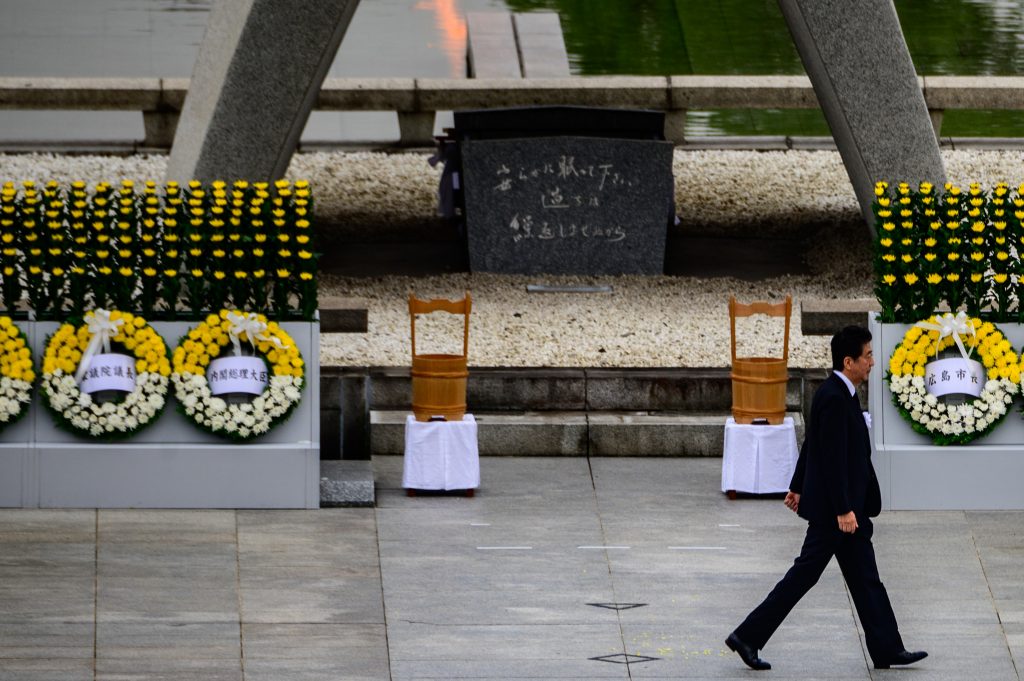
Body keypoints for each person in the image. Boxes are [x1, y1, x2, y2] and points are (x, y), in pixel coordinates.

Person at [725, 325, 927, 671]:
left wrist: (798, 485)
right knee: (803, 576)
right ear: (849, 362)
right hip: (839, 514)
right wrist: (843, 509)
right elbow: (831, 458)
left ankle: (887, 648)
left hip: (848, 509)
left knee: (866, 578)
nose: (872, 362)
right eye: (867, 356)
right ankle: (747, 636)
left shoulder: (839, 393)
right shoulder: (834, 397)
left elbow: (814, 444)